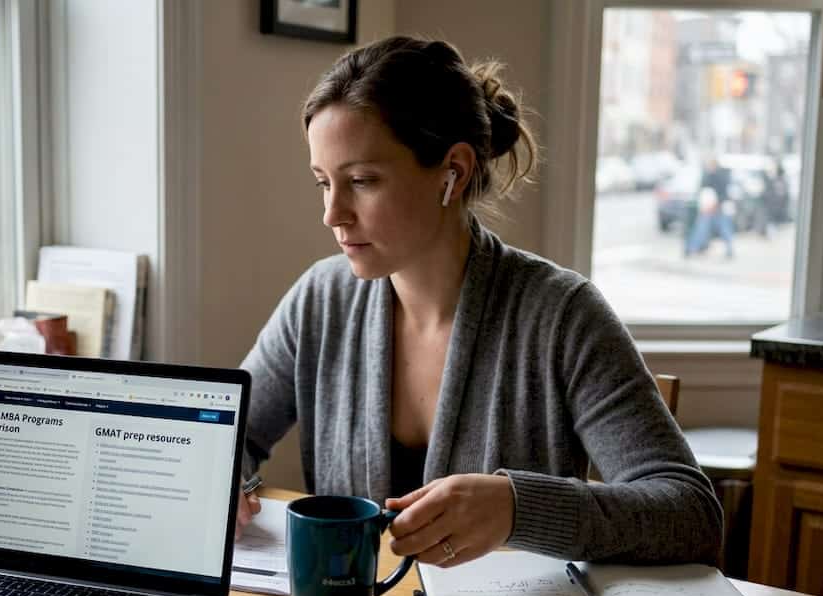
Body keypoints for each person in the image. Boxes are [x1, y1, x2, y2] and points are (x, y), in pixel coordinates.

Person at [235, 36, 722, 567]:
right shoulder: (320, 302)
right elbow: (231, 438)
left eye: (362, 181)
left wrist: (518, 507)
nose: (333, 213)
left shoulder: (563, 316)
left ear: (454, 172)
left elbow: (690, 514)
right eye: (324, 183)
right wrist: (224, 484)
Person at [684, 158, 736, 258]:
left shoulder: (720, 176)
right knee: (703, 228)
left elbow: (723, 193)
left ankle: (692, 249)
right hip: (710, 207)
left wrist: (715, 204)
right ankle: (692, 249)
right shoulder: (709, 175)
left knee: (720, 229)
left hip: (718, 207)